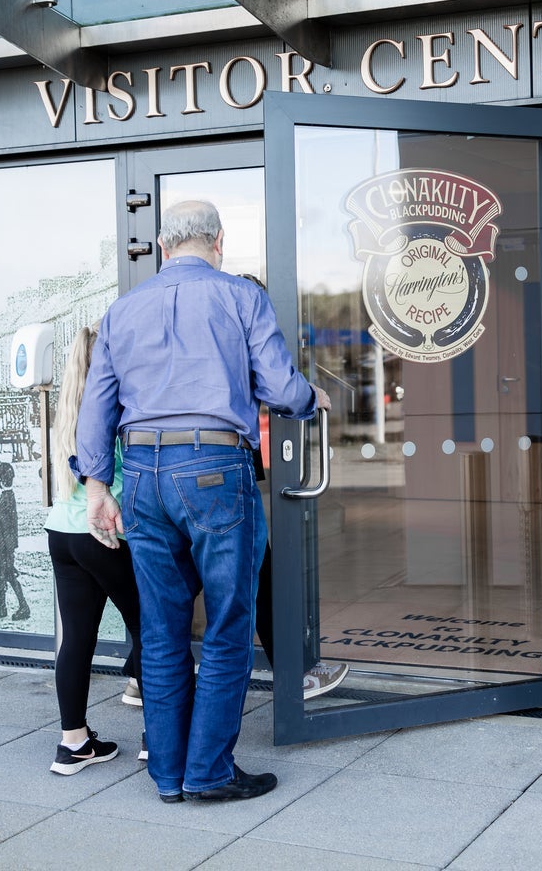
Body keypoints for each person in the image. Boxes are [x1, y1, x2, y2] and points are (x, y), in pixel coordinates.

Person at [75, 200, 329, 803]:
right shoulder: (241, 298)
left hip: (139, 471)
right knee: (228, 622)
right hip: (214, 468)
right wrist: (311, 397)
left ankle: (167, 774)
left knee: (161, 631)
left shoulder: (122, 310)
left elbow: (95, 405)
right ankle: (210, 770)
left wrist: (95, 486)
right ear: (218, 242)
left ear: (164, 248)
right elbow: (277, 386)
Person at [238, 273, 348, 700]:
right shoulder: (241, 320)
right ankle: (297, 675)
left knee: (178, 594)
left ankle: (143, 679)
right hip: (222, 473)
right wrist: (307, 395)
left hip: (164, 475)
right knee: (258, 577)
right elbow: (276, 384)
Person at [46, 325, 145, 775]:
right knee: (153, 626)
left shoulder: (67, 409)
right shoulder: (111, 407)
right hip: (103, 533)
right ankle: (155, 736)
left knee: (77, 641)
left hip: (62, 534)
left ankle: (73, 744)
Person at [0, 461, 30, 620]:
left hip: (4, 547)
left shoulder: (6, 498)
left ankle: (20, 606)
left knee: (8, 576)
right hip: (6, 546)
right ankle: (3, 606)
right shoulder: (9, 496)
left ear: (1, 480)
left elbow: (3, 523)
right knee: (4, 576)